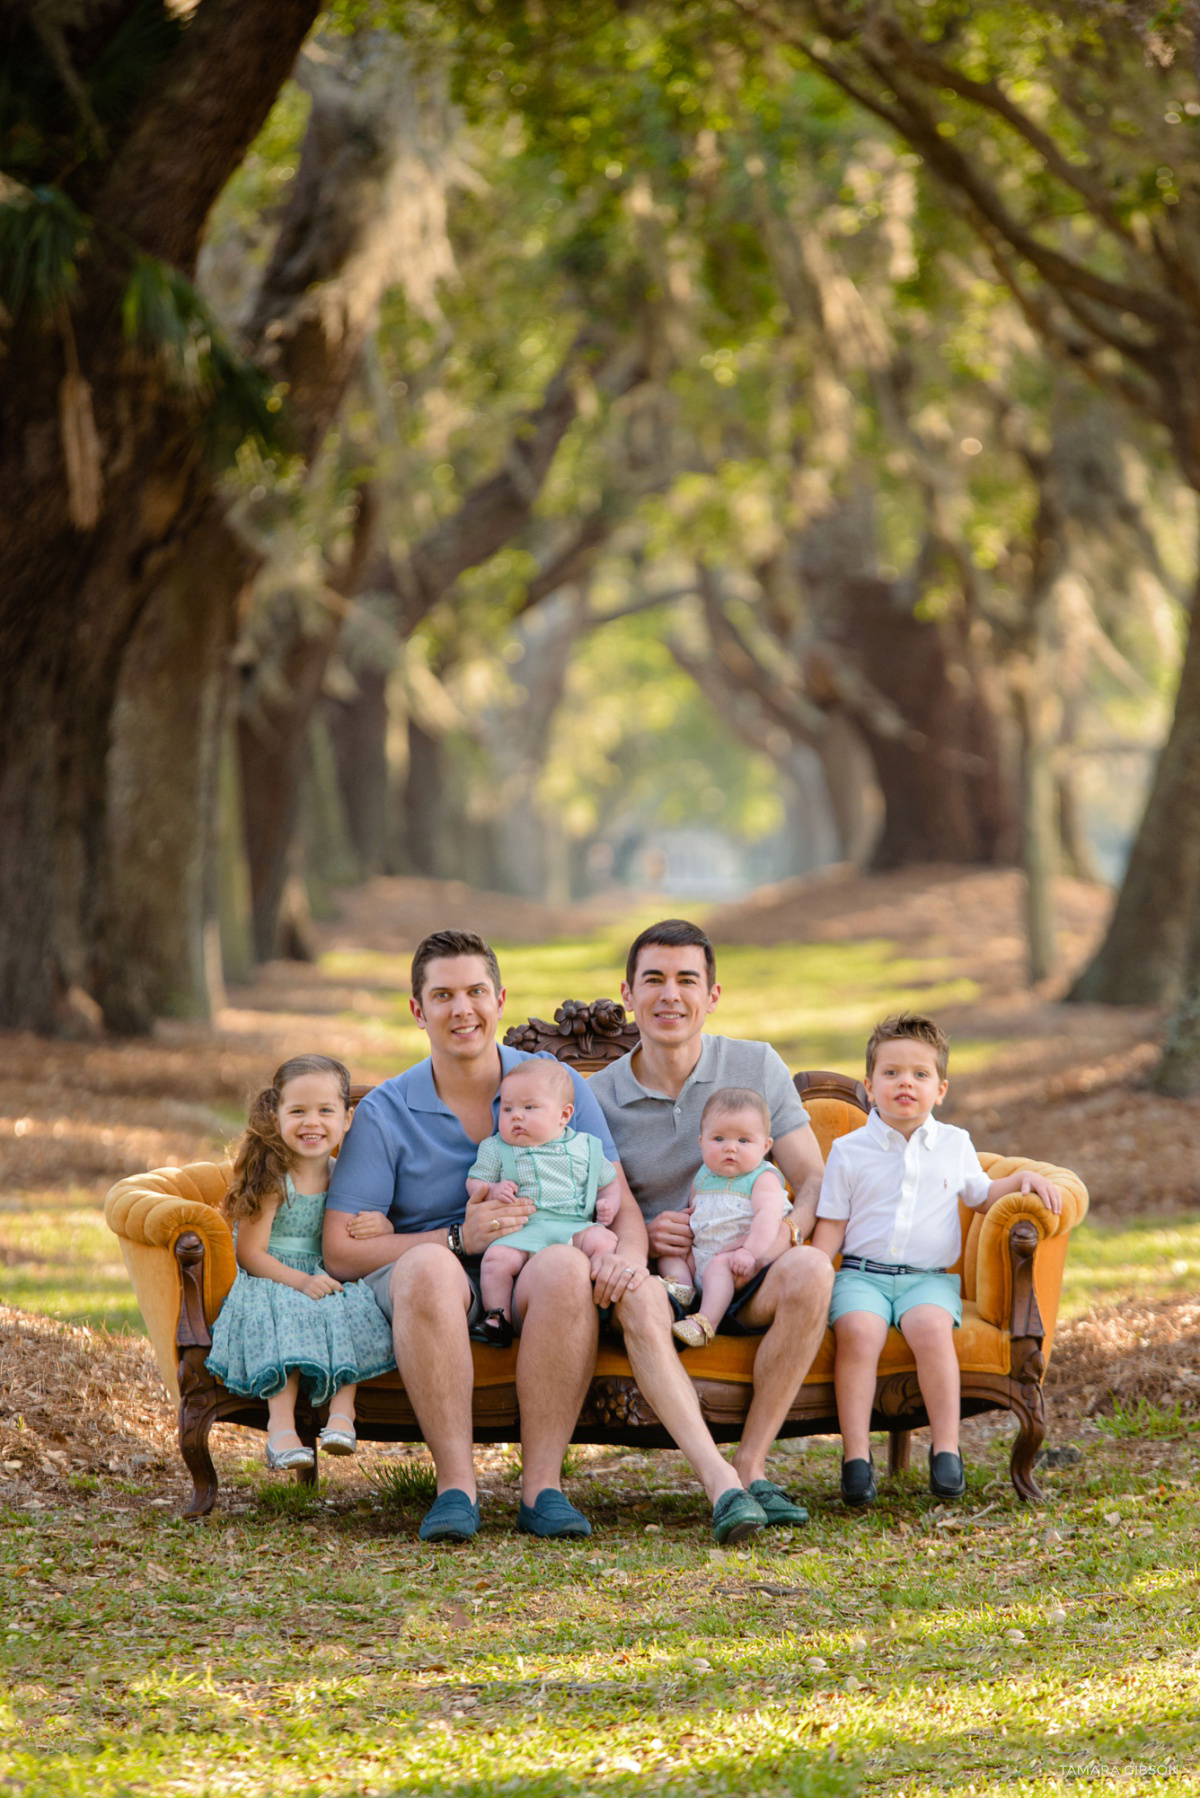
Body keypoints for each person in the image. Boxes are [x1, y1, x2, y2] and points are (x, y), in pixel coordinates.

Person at [322, 929, 650, 1544]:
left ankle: (542, 1490)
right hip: (435, 1281)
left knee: (563, 1267)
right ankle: (456, 1489)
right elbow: (340, 1250)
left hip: (532, 1267)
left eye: (475, 991)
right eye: (442, 995)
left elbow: (619, 1202)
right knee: (428, 1268)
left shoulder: (553, 1086)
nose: (462, 1009)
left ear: (500, 1000)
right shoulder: (387, 1111)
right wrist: (453, 1237)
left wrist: (627, 1262)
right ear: (418, 1011)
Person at [589, 919, 834, 1542]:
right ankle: (719, 1483)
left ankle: (752, 1466)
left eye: (686, 980)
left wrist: (780, 1237)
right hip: (659, 1280)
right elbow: (583, 1204)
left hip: (750, 1268)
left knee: (810, 1270)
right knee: (641, 1296)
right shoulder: (595, 1096)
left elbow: (813, 1181)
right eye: (654, 980)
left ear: (712, 995)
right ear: (628, 993)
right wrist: (643, 1228)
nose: (670, 995)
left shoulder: (755, 1065)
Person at [811, 1012, 1062, 1507]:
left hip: (927, 1280)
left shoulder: (954, 1144)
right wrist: (813, 1277)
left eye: (920, 1074)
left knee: (930, 1329)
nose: (905, 1082)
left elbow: (982, 1193)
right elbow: (833, 1226)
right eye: (891, 1073)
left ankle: (946, 1450)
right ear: (868, 1086)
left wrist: (1022, 1182)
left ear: (940, 1089)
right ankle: (855, 1458)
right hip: (862, 1276)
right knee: (859, 1332)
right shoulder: (848, 1149)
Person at [206, 1055, 396, 1470]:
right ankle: (280, 1431)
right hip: (272, 1276)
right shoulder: (274, 1178)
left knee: (355, 1310)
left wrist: (380, 1225)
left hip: (322, 1272)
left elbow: (357, 1228)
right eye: (298, 1112)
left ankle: (342, 1417)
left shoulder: (346, 1174)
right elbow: (249, 1253)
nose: (312, 1122)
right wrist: (299, 1282)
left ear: (347, 1119)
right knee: (289, 1317)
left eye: (325, 1111)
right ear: (275, 1117)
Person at [469, 1059, 620, 1347]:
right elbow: (474, 1182)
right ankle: (497, 1317)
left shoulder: (586, 1146)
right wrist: (492, 1189)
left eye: (529, 1108)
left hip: (574, 1227)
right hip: (524, 1230)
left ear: (563, 1115)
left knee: (605, 1242)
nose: (516, 1117)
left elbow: (609, 1182)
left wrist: (608, 1203)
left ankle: (603, 1304)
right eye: (508, 1108)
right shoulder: (496, 1148)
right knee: (495, 1261)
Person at [660, 1087, 793, 1350]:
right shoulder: (703, 1176)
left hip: (737, 1264)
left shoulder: (762, 1177)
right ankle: (683, 1290)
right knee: (670, 1251)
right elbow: (697, 1213)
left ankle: (705, 1324)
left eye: (744, 1141)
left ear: (765, 1146)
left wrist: (749, 1252)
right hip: (702, 1255)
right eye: (718, 1139)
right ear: (701, 1142)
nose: (730, 1147)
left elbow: (768, 1218)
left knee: (720, 1266)